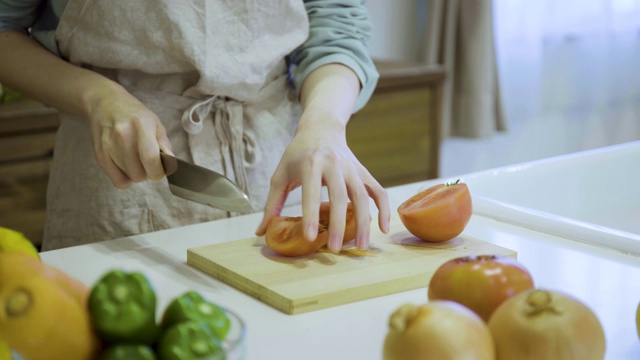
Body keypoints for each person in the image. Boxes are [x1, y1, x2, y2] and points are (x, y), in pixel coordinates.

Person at [0, 0, 390, 252]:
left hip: (275, 161)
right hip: (121, 177)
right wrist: (97, 96)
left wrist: (323, 122)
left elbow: (335, 25)